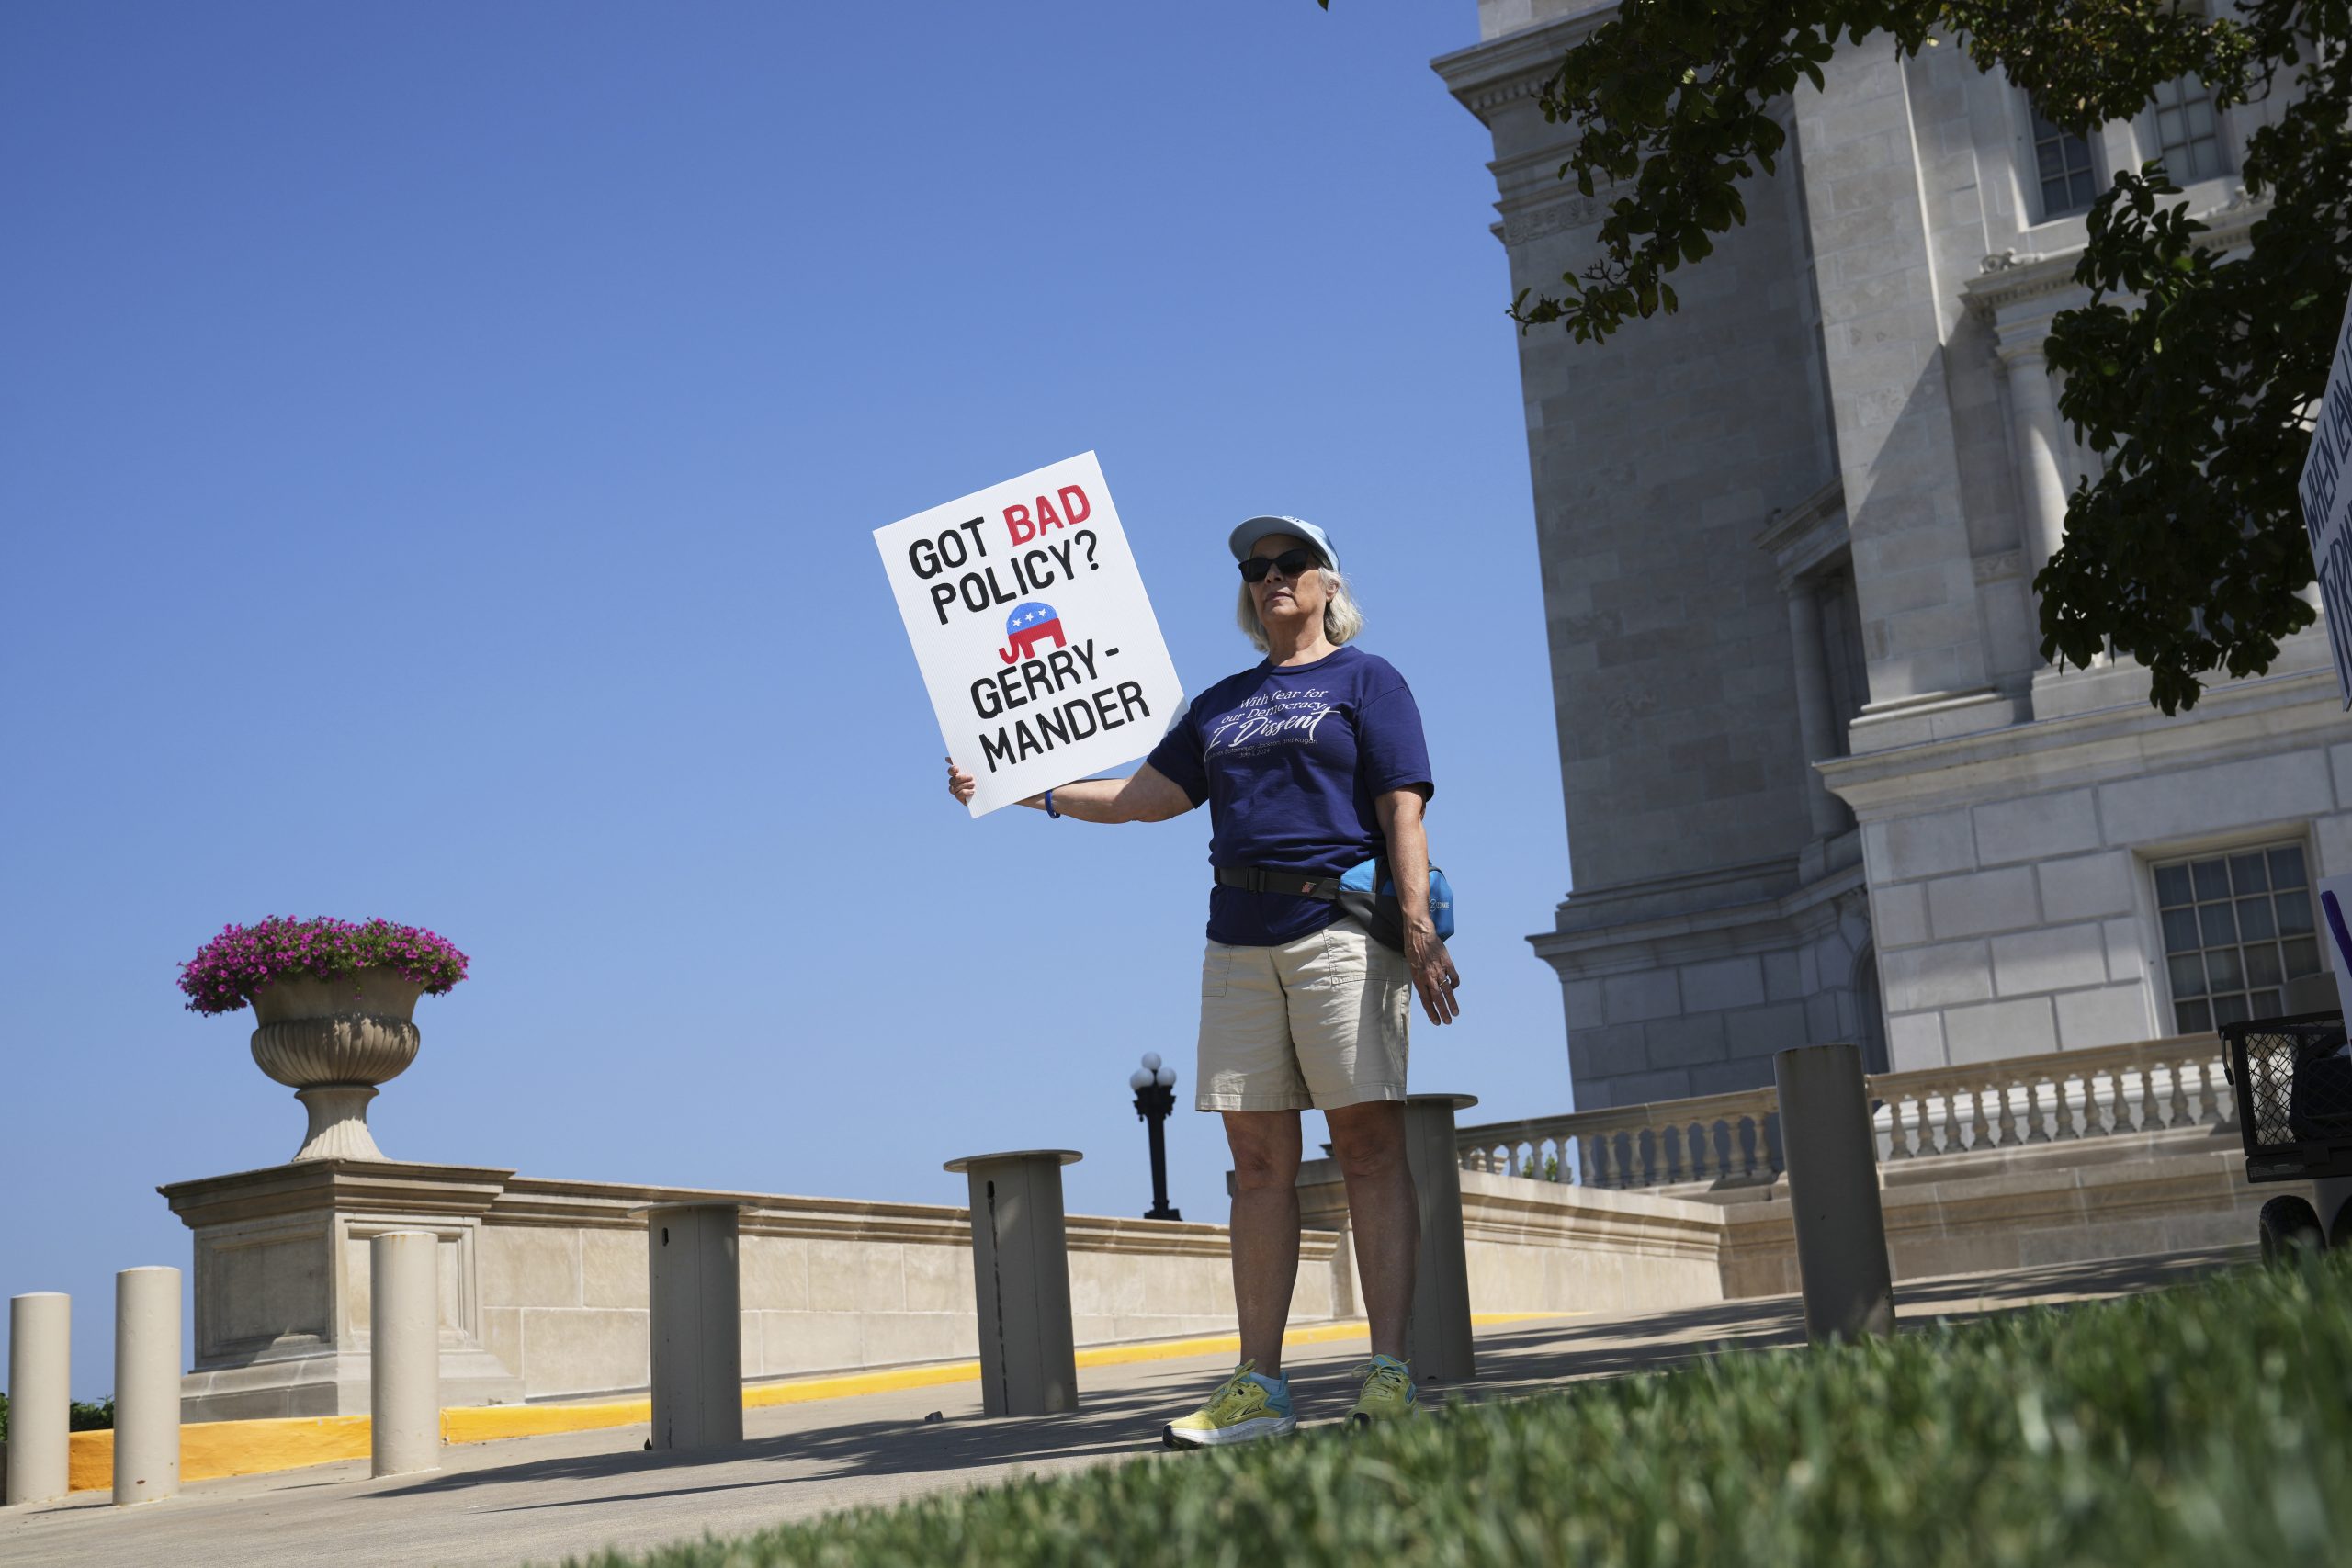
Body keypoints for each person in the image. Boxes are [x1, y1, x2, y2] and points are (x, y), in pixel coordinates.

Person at [947, 514, 1459, 1445]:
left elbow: (1400, 808)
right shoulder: (1220, 702)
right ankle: (1258, 1388)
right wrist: (1018, 787)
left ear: (1327, 585)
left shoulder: (1367, 681)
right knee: (1257, 1165)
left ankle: (1388, 1374)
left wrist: (1416, 924)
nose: (1270, 576)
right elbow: (1144, 801)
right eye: (1255, 567)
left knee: (1367, 1150)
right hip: (1235, 941)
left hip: (1339, 932)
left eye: (1289, 563)